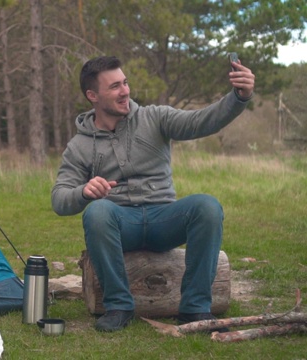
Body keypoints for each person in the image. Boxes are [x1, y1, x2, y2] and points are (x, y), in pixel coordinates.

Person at [51, 55, 255, 332]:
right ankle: (118, 306)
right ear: (92, 95)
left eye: (125, 83)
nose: (125, 91)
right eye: (114, 87)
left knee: (207, 207)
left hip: (164, 219)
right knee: (97, 211)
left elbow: (201, 121)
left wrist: (238, 98)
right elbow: (59, 200)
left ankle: (195, 309)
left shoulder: (154, 117)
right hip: (121, 224)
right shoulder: (79, 145)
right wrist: (83, 191)